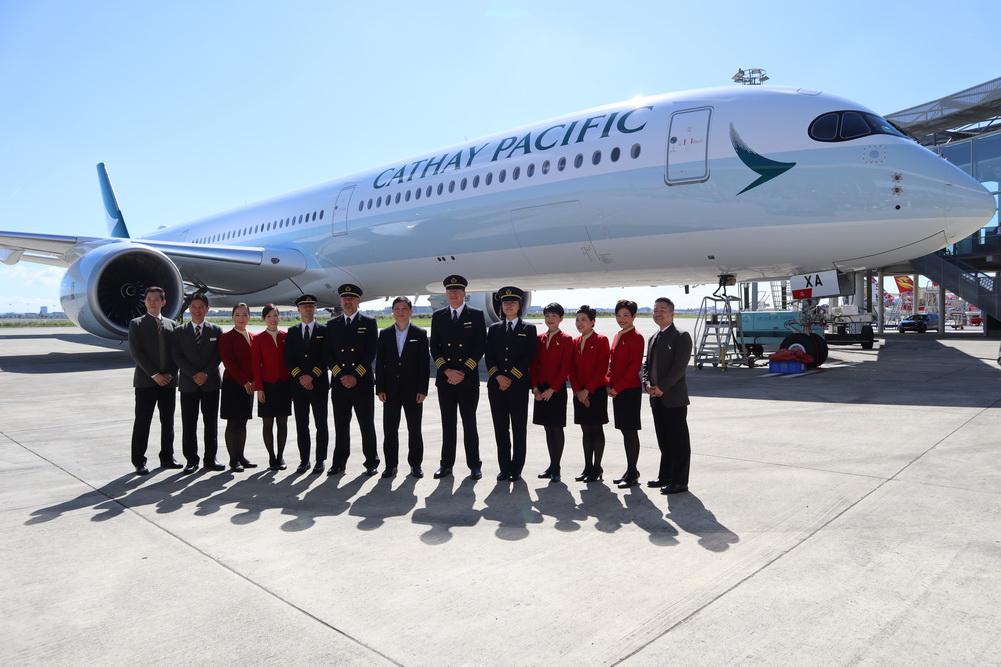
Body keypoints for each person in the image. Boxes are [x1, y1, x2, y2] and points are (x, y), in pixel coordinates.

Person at [430, 275, 486, 480]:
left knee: (469, 423)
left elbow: (480, 346)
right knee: (448, 423)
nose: (453, 294)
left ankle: (474, 465)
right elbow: (434, 348)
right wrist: (447, 371)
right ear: (446, 294)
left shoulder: (476, 315)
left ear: (464, 293)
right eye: (450, 291)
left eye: (457, 290)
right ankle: (446, 464)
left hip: (467, 379)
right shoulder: (439, 316)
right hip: (446, 380)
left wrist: (462, 372)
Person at [323, 283, 379, 476]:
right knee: (340, 424)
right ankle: (339, 462)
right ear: (340, 301)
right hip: (340, 383)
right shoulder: (332, 324)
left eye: (352, 298)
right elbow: (328, 353)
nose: (348, 301)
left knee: (366, 423)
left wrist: (355, 375)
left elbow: (370, 352)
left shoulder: (369, 322)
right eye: (345, 298)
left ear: (358, 301)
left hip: (361, 382)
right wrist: (341, 375)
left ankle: (371, 461)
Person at [484, 287, 536, 481]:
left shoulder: (528, 329)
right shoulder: (494, 329)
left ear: (519, 306)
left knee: (518, 428)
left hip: (518, 386)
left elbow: (528, 357)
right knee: (500, 428)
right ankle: (504, 467)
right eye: (506, 302)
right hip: (496, 387)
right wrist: (498, 377)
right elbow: (489, 356)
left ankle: (517, 468)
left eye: (513, 302)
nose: (509, 305)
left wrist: (510, 378)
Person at [128, 286, 181, 475]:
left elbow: (177, 353)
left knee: (168, 422)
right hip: (146, 382)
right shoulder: (136, 324)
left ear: (163, 302)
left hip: (168, 383)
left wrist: (170, 374)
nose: (152, 302)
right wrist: (154, 374)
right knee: (143, 422)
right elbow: (137, 353)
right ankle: (139, 461)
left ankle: (167, 457)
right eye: (149, 299)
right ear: (144, 302)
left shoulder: (172, 325)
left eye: (156, 299)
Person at [642, 297, 693, 495]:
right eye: (655, 310)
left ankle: (680, 481)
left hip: (674, 398)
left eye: (663, 310)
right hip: (656, 397)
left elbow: (679, 368)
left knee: (678, 441)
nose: (658, 313)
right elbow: (646, 366)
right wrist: (647, 384)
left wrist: (662, 387)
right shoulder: (653, 337)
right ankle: (665, 476)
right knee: (664, 440)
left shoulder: (681, 335)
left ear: (672, 313)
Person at [375, 296, 430, 479]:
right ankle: (391, 465)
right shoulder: (385, 334)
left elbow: (424, 365)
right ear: (392, 311)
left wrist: (422, 390)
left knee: (414, 429)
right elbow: (380, 364)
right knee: (390, 429)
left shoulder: (419, 333)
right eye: (397, 308)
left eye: (404, 308)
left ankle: (415, 464)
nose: (400, 312)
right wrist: (380, 388)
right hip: (390, 390)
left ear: (410, 311)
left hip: (413, 391)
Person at [172, 292, 225, 474]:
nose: (197, 310)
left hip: (210, 384)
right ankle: (191, 460)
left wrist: (205, 373)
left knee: (211, 423)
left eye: (201, 307)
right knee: (189, 424)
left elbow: (218, 355)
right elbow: (177, 356)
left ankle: (210, 459)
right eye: (193, 307)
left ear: (207, 309)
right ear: (189, 308)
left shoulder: (216, 330)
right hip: (188, 384)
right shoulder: (179, 331)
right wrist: (194, 374)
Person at [285, 294, 330, 474]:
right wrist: (301, 378)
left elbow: (326, 356)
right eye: (304, 306)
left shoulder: (324, 330)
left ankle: (320, 460)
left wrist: (311, 376)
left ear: (315, 308)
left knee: (321, 424)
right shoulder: (292, 331)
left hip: (318, 384)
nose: (308, 309)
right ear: (298, 309)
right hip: (299, 386)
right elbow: (289, 358)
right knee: (302, 424)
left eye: (311, 306)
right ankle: (304, 460)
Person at [530, 303, 573, 483]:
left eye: (554, 316)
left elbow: (566, 367)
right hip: (541, 389)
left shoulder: (567, 339)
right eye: (547, 315)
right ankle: (551, 465)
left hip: (556, 389)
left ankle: (557, 467)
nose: (550, 319)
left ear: (561, 319)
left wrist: (552, 389)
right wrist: (535, 388)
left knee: (557, 428)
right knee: (547, 428)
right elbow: (533, 365)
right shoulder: (539, 339)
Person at [569, 305, 610, 483]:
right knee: (585, 430)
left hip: (596, 392)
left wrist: (587, 390)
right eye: (577, 320)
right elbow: (571, 369)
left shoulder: (601, 340)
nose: (580, 323)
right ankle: (587, 467)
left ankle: (597, 467)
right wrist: (578, 391)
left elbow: (602, 368)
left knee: (596, 429)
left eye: (584, 320)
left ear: (592, 322)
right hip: (579, 393)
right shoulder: (574, 342)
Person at [606, 299, 644, 488]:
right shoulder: (618, 335)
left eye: (626, 315)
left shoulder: (636, 337)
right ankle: (630, 471)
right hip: (617, 390)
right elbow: (612, 364)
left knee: (630, 432)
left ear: (634, 316)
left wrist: (617, 387)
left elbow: (633, 368)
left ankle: (633, 472)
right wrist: (608, 383)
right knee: (624, 431)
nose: (621, 319)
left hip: (629, 390)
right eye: (619, 315)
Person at [252, 304, 292, 471]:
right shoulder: (258, 339)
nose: (272, 319)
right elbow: (255, 365)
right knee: (267, 423)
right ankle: (271, 457)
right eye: (269, 316)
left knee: (282, 423)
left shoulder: (286, 336)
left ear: (279, 317)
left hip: (284, 384)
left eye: (275, 316)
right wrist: (259, 389)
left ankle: (280, 456)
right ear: (263, 319)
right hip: (267, 385)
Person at [218, 303, 257, 472]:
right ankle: (234, 460)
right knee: (233, 422)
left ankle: (241, 456)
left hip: (249, 385)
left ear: (249, 317)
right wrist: (245, 382)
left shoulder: (253, 337)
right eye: (238, 315)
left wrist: (254, 381)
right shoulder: (227, 337)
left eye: (245, 314)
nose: (241, 318)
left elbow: (257, 362)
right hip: (234, 384)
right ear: (232, 317)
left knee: (243, 422)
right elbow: (229, 363)